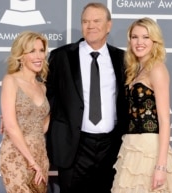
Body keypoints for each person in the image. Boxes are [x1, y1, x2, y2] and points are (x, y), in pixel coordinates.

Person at [46, 2, 128, 193]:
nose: (90, 25)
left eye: (96, 20)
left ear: (109, 25)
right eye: (85, 21)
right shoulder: (61, 57)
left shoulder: (123, 59)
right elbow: (46, 97)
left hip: (111, 147)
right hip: (74, 146)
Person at [111, 18, 172, 193]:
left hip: (150, 149)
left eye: (145, 37)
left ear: (154, 41)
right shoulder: (136, 70)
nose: (139, 42)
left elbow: (165, 120)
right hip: (131, 146)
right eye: (135, 37)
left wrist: (161, 166)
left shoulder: (157, 69)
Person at [0, 31, 50, 193]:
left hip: (40, 155)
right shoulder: (11, 80)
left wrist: (37, 161)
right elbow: (11, 126)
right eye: (32, 51)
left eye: (41, 50)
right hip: (16, 156)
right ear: (21, 56)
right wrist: (31, 162)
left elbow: (42, 124)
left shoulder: (42, 87)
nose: (39, 56)